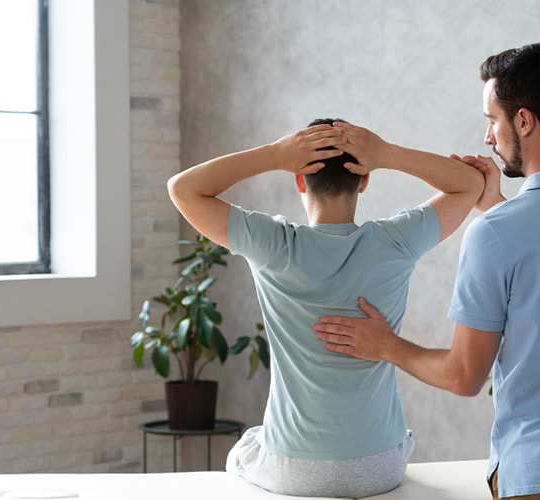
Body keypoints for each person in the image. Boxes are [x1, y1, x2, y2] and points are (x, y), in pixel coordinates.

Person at [314, 43, 540, 499]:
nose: (488, 138)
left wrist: (386, 345)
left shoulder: (497, 234)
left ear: (524, 121)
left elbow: (464, 376)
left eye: (491, 121)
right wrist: (495, 205)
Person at [166, 118, 484, 497]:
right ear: (364, 180)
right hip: (380, 466)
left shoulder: (273, 246)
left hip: (293, 469)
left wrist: (273, 154)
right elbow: (470, 183)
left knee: (248, 445)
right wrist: (386, 153)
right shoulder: (395, 242)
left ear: (299, 180)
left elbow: (182, 189)